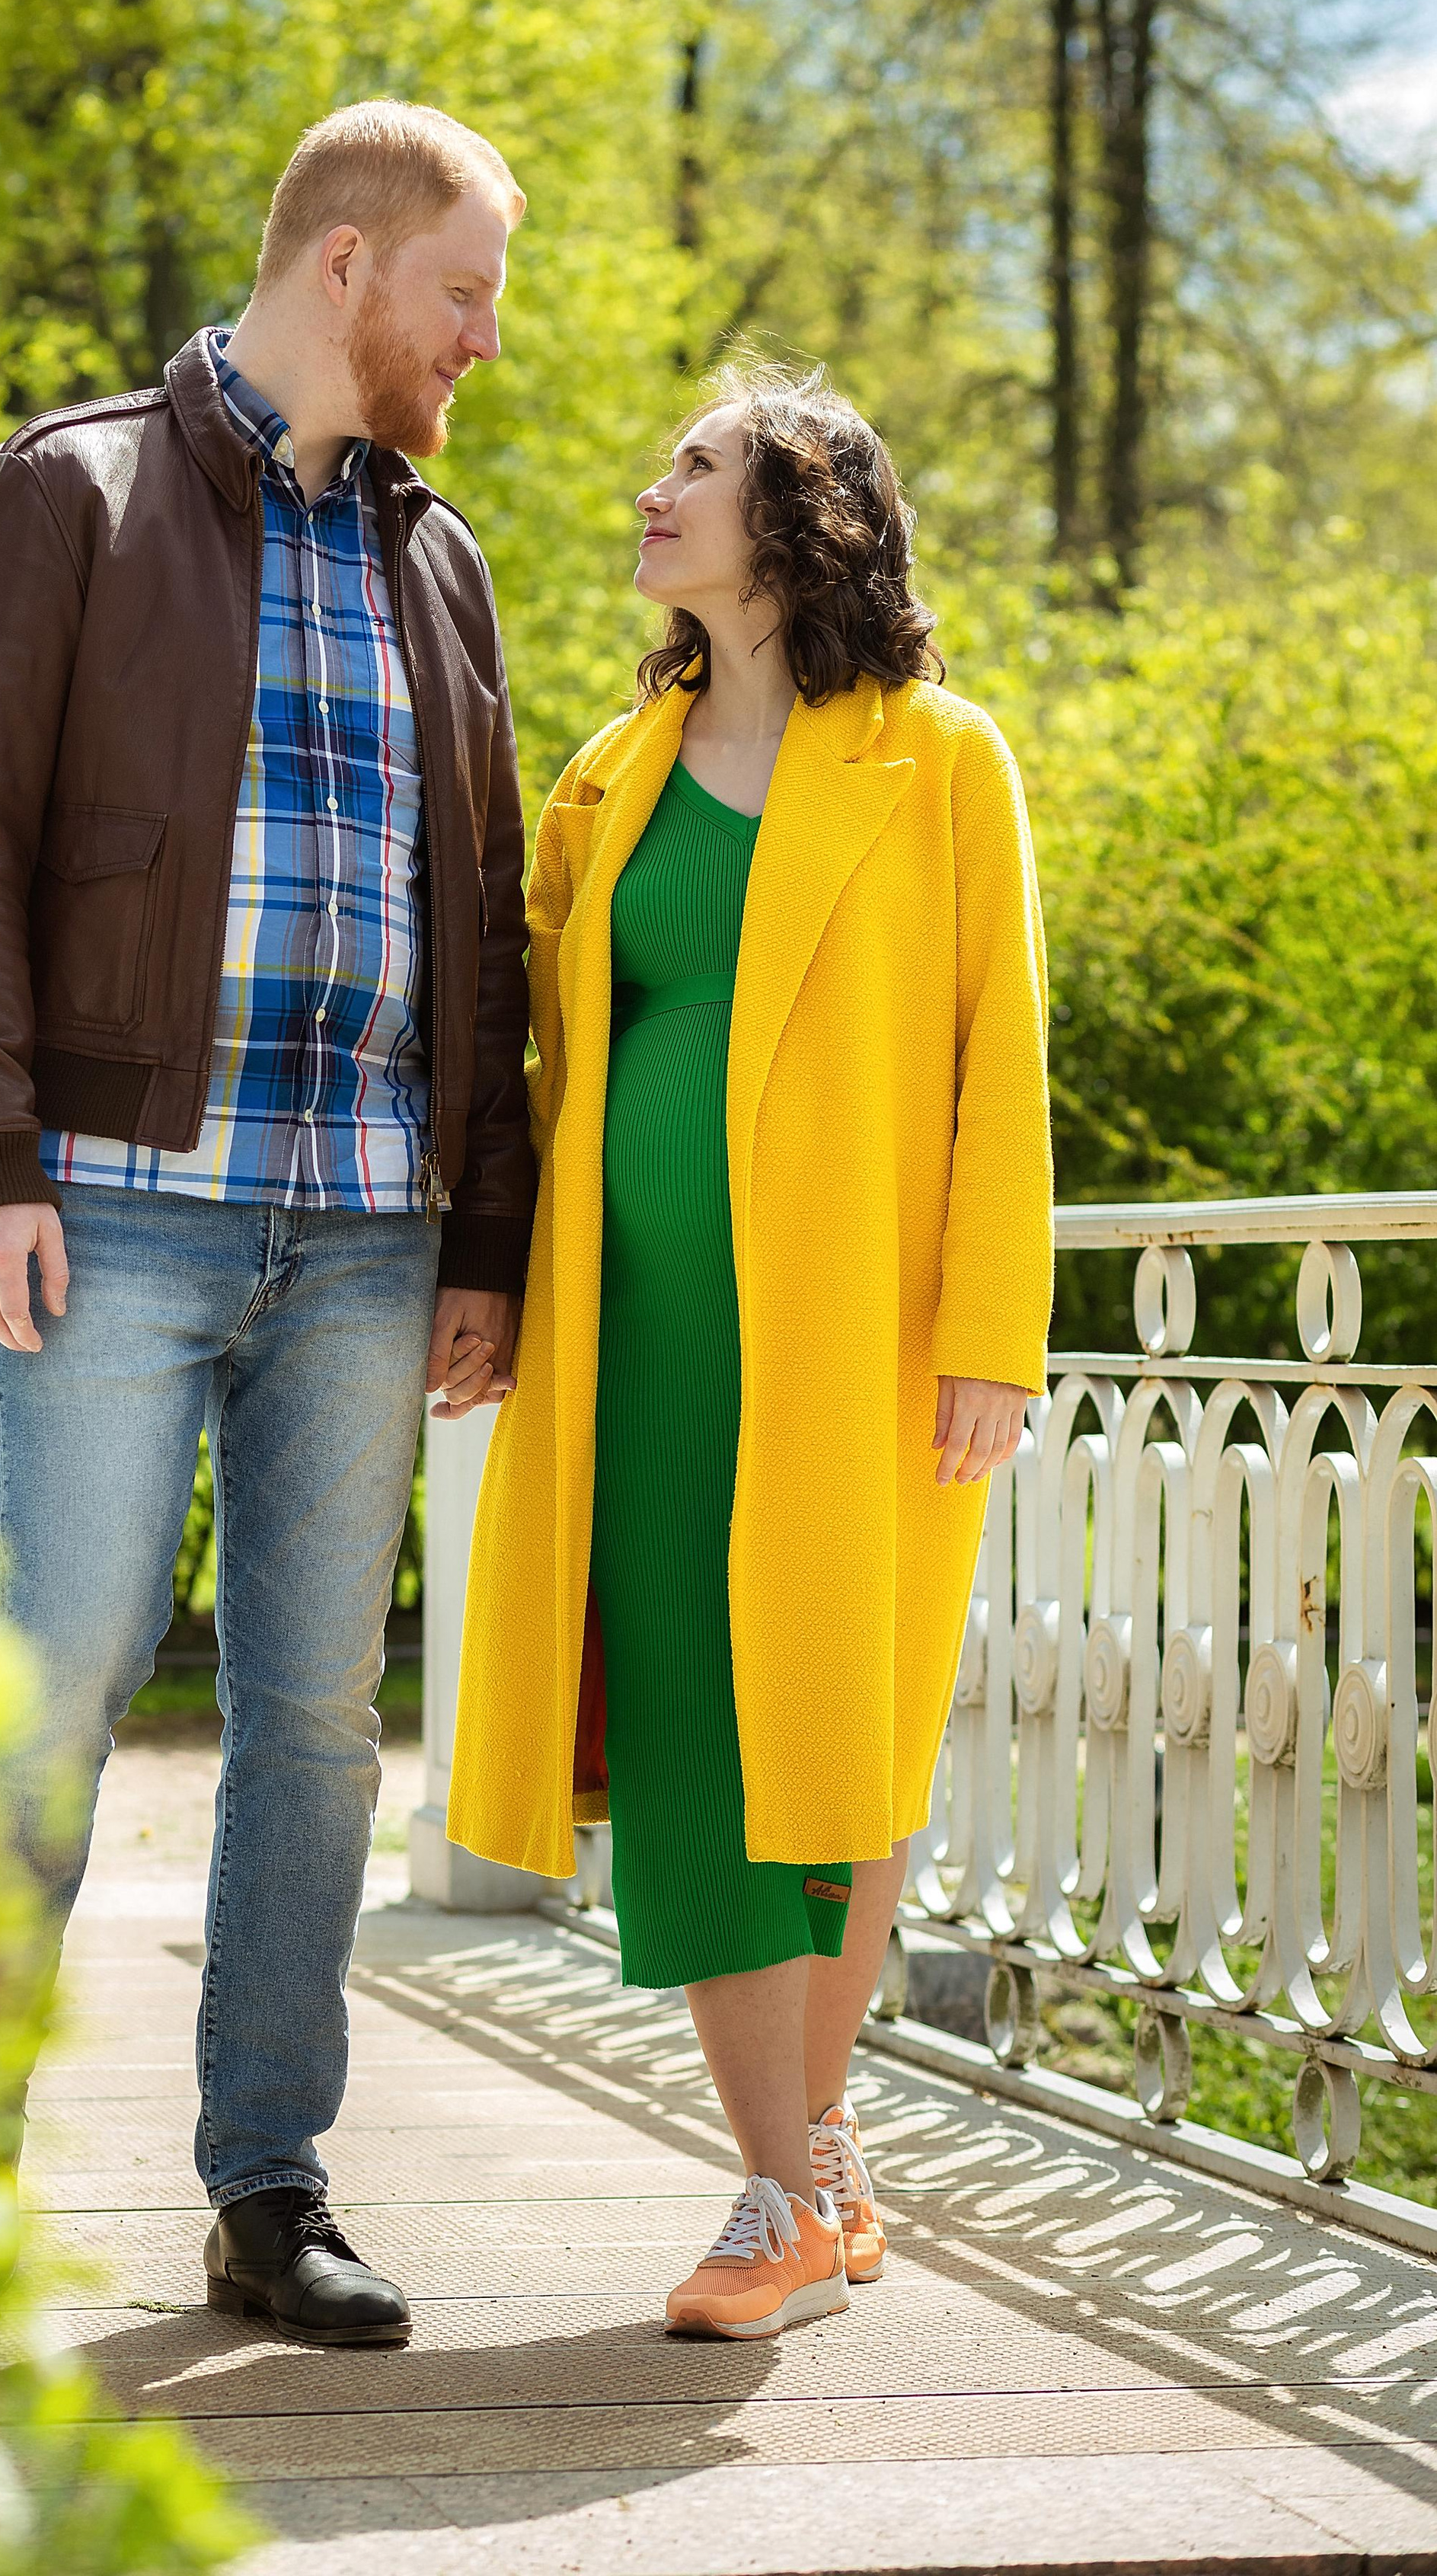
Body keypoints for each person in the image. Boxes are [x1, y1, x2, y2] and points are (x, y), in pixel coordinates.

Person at [0, 100, 535, 2351]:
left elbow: (497, 926)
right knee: (52, 1687)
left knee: (319, 1730)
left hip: (368, 1234)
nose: (483, 341)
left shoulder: (439, 562)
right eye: (465, 293)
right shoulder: (71, 489)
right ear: (348, 265)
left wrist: (492, 1240)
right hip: (118, 1218)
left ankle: (268, 2191)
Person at [445, 360, 1052, 2340]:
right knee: (703, 1748)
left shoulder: (943, 762)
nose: (652, 491)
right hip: (645, 1342)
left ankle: (800, 2176)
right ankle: (788, 2192)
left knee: (844, 1738)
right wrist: (493, 1278)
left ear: (804, 522)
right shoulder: (604, 779)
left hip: (864, 1348)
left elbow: (1001, 1076)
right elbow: (536, 1068)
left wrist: (993, 1335)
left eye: (693, 469)